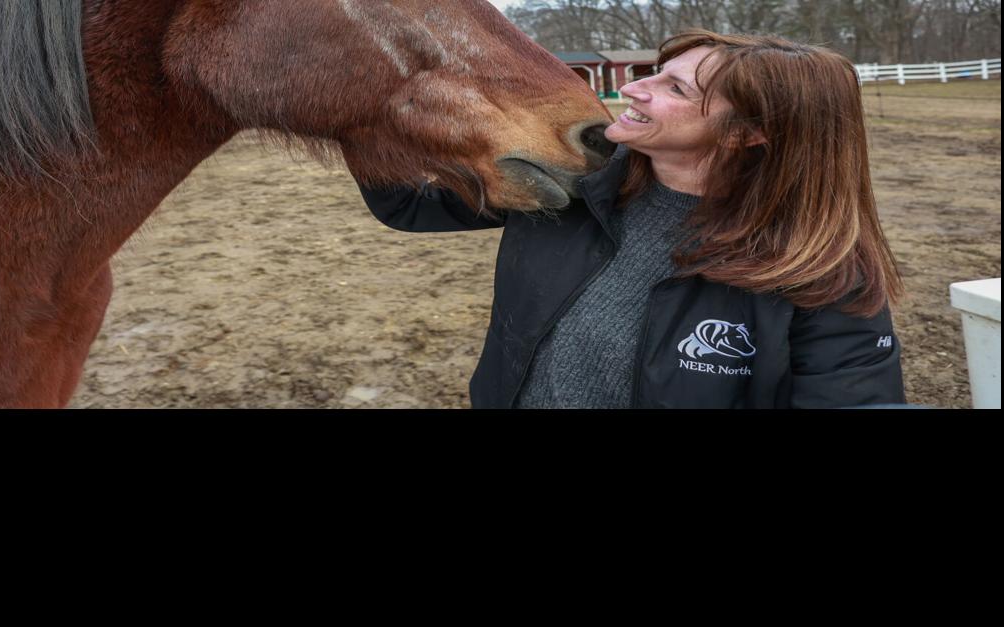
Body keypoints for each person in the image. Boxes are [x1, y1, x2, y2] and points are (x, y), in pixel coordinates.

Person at [360, 30, 905, 409]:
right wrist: (357, 111)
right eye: (655, 72)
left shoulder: (826, 276)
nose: (633, 88)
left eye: (674, 88)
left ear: (747, 134)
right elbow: (411, 204)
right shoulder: (575, 181)